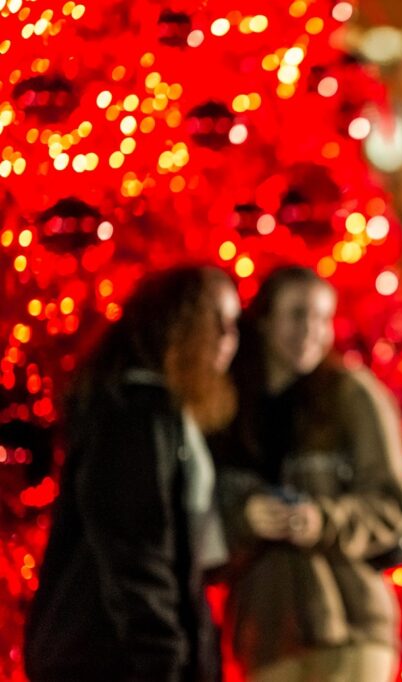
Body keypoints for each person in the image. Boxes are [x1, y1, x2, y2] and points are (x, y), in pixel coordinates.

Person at [24, 266, 241, 682]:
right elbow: (136, 551)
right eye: (217, 322)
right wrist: (165, 658)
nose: (229, 340)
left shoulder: (163, 415)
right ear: (179, 326)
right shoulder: (133, 416)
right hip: (109, 660)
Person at [213, 266, 402, 682]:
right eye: (297, 315)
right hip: (267, 636)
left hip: (351, 628)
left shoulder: (351, 395)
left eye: (322, 318)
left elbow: (394, 503)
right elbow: (199, 514)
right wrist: (245, 517)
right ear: (265, 320)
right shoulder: (228, 406)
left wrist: (322, 520)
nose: (311, 330)